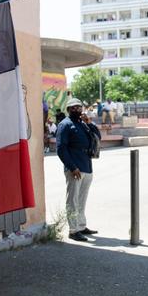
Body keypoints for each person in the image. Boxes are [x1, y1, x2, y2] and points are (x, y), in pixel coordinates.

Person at [56, 98, 101, 242]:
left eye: (79, 107)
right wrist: (72, 167)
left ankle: (81, 226)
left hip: (86, 165)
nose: (77, 110)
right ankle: (73, 230)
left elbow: (98, 137)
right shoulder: (65, 125)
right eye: (73, 108)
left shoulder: (83, 123)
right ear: (68, 110)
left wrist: (89, 123)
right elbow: (61, 149)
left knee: (82, 199)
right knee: (73, 200)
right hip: (75, 168)